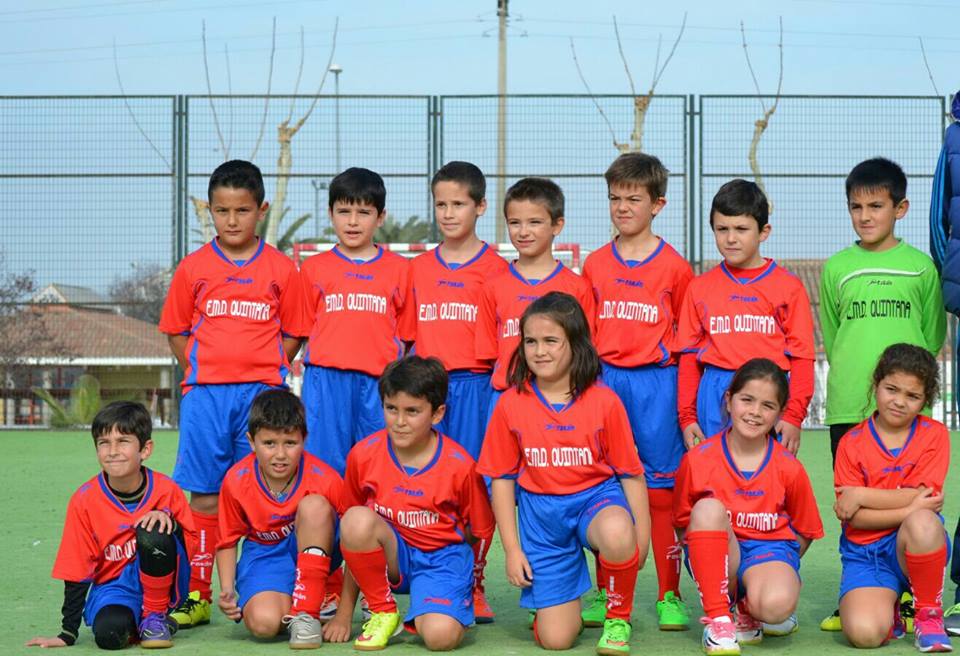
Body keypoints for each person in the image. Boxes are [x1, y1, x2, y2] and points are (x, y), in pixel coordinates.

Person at [158, 159, 305, 626]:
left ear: (260, 210)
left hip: (260, 396)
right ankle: (199, 595)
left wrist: (262, 365)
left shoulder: (282, 269)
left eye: (242, 210)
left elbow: (295, 331)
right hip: (205, 396)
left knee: (265, 490)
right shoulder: (194, 267)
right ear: (210, 210)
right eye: (222, 211)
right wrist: (206, 369)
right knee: (203, 495)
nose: (232, 220)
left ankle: (276, 581)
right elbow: (177, 331)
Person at [478, 291, 650, 656]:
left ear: (576, 344)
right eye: (530, 341)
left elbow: (631, 475)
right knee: (555, 640)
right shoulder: (510, 403)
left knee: (618, 531)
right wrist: (511, 550)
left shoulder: (604, 402)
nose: (539, 351)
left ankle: (617, 616)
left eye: (551, 341)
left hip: (594, 501)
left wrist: (641, 537)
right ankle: (562, 596)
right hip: (542, 519)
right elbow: (503, 481)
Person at [819, 157, 946, 633]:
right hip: (851, 404)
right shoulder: (837, 268)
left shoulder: (920, 269)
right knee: (853, 507)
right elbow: (835, 338)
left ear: (901, 208)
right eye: (856, 207)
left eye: (876, 205)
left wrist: (904, 392)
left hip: (907, 411)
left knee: (914, 502)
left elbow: (931, 337)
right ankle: (857, 589)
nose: (866, 215)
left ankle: (913, 594)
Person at [581, 152, 693, 631]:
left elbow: (687, 339)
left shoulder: (675, 268)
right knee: (604, 486)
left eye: (633, 198)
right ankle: (607, 592)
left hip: (657, 385)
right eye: (614, 198)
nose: (622, 207)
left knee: (661, 487)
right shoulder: (594, 265)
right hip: (605, 382)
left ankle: (669, 593)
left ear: (658, 204)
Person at [408, 161, 508, 623]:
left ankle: (475, 581)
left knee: (474, 487)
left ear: (480, 206)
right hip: (427, 391)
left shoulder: (496, 270)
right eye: (441, 204)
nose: (448, 214)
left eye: (458, 204)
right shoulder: (417, 270)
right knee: (426, 485)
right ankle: (426, 575)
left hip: (475, 386)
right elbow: (406, 340)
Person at [339, 356, 495, 651]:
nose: (399, 422)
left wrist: (465, 578)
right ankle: (382, 611)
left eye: (412, 411)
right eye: (391, 409)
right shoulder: (363, 455)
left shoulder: (460, 466)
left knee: (440, 638)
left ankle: (449, 601)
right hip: (395, 559)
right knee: (356, 520)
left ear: (437, 414)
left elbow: (479, 530)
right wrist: (344, 614)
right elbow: (353, 537)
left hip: (440, 560)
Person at [673, 359, 824, 655]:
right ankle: (719, 618)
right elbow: (682, 524)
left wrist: (779, 568)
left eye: (768, 406)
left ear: (780, 413)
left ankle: (749, 606)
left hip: (767, 552)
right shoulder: (697, 460)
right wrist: (709, 565)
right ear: (729, 401)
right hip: (717, 554)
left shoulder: (789, 467)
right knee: (707, 511)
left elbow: (805, 531)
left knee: (777, 606)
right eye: (747, 400)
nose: (755, 412)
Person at [27, 402, 194, 650]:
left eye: (123, 441)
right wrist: (67, 632)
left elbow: (188, 550)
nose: (112, 451)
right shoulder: (84, 500)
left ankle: (155, 616)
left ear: (145, 449)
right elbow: (77, 567)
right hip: (114, 589)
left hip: (163, 583)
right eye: (104, 442)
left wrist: (172, 524)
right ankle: (147, 624)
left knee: (155, 527)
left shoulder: (167, 490)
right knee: (109, 636)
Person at [675, 179, 815, 454]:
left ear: (764, 232)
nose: (730, 238)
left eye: (741, 229)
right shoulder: (699, 288)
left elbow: (802, 358)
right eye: (721, 229)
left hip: (767, 393)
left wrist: (793, 415)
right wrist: (688, 417)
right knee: (713, 481)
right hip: (714, 393)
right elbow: (689, 358)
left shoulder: (789, 287)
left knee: (766, 483)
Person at [833, 343, 952, 653]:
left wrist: (860, 494)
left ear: (926, 400)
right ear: (877, 385)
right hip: (867, 554)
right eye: (891, 389)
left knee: (924, 522)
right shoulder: (851, 442)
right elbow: (854, 517)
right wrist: (909, 505)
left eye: (912, 396)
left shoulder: (934, 435)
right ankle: (892, 612)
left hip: (913, 544)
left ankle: (928, 614)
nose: (899, 402)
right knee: (864, 635)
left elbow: (923, 498)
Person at [298, 167, 416, 475]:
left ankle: (373, 525)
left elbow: (408, 336)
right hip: (325, 382)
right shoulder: (313, 269)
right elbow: (299, 329)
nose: (352, 221)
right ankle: (324, 524)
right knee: (323, 470)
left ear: (380, 217)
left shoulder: (401, 270)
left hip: (379, 384)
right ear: (330, 213)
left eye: (363, 212)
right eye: (344, 211)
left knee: (379, 468)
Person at [215, 389, 350, 649]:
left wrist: (344, 615)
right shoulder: (236, 480)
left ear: (304, 439)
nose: (280, 454)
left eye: (290, 443)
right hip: (265, 554)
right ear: (251, 442)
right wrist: (228, 589)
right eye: (269, 444)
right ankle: (307, 599)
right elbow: (228, 539)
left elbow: (356, 541)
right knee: (264, 625)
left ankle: (311, 608)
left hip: (319, 550)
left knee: (314, 506)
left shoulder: (326, 478)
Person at [475, 177, 595, 411]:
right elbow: (489, 355)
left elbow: (585, 352)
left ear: (557, 225)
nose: (523, 232)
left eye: (535, 222)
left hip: (561, 401)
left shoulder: (577, 288)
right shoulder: (493, 287)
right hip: (506, 398)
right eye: (515, 222)